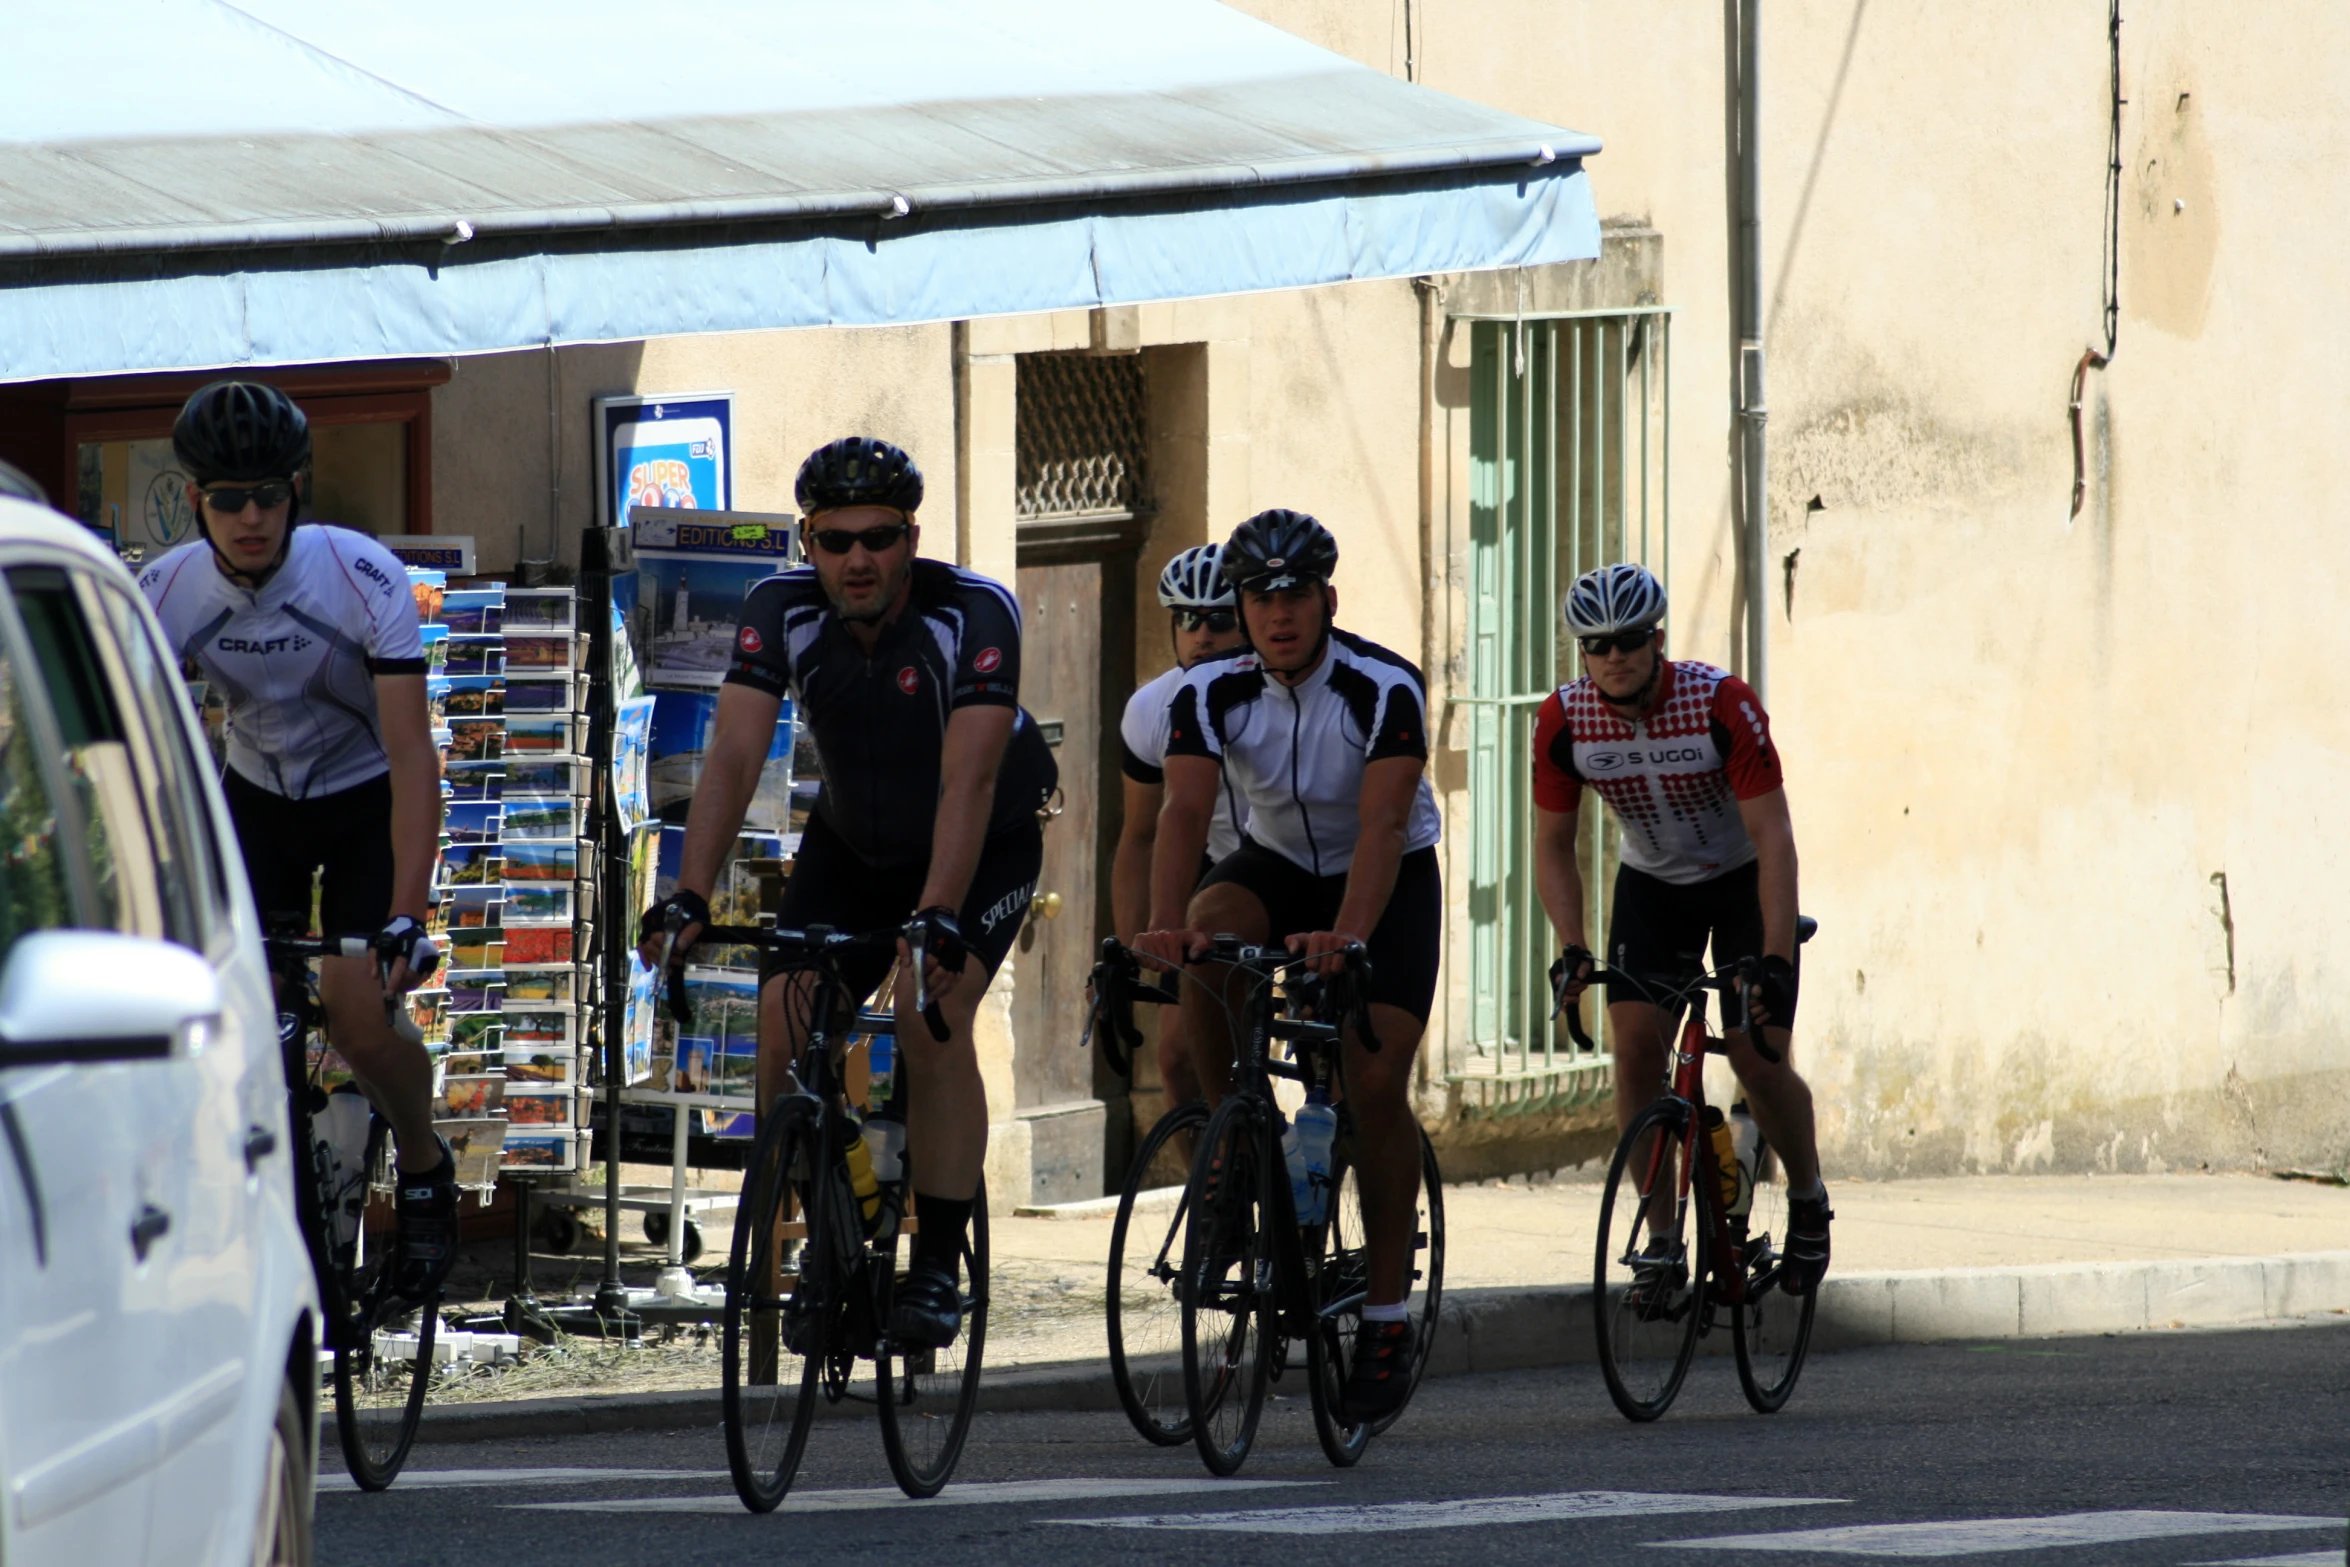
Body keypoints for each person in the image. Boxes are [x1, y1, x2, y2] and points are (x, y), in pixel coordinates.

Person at [637, 436, 1056, 1349]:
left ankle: (937, 1267)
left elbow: (970, 783)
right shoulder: (776, 608)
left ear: (910, 539)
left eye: (878, 538)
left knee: (925, 1013)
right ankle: (831, 1225)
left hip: (981, 840)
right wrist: (689, 894)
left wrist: (936, 919)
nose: (856, 558)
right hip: (855, 841)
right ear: (807, 541)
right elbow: (736, 755)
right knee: (784, 1022)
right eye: (834, 541)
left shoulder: (974, 611)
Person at [138, 380, 452, 1299]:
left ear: (298, 490)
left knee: (358, 1013)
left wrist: (407, 913)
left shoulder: (360, 576)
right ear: (195, 497)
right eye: (227, 498)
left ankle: (427, 1169)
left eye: (268, 494)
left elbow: (410, 752)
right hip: (257, 797)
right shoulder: (164, 592)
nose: (249, 517)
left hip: (363, 797)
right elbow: (152, 764)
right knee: (235, 1014)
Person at [1133, 509, 1442, 1421]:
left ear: (1327, 600)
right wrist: (1158, 926)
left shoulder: (1384, 687)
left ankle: (1386, 1313)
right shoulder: (1208, 694)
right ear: (1241, 604)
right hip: (1275, 863)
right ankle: (1239, 1142)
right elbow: (1181, 818)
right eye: (1261, 596)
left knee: (1375, 1082)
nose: (1278, 613)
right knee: (1207, 928)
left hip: (1382, 877)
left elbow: (1384, 825)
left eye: (1295, 593)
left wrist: (1347, 935)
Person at [1532, 562, 1832, 1293]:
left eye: (1630, 639)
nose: (1614, 655)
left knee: (1757, 1057)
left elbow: (1775, 839)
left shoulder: (1719, 701)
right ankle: (1663, 1240)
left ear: (1656, 637)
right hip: (1653, 886)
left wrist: (1773, 956)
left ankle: (1809, 1199)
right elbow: (1551, 846)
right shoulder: (1564, 719)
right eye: (1596, 643)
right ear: (1580, 650)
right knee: (1635, 1054)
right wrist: (1573, 947)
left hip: (1740, 882)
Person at [1109, 544, 1250, 1109]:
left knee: (1337, 1053)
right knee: (1178, 1058)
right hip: (1213, 870)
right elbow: (1140, 835)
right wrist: (1124, 951)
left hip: (1319, 863)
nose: (1202, 634)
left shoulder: (1283, 692)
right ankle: (1219, 1192)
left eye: (1220, 619)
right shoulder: (1150, 709)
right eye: (1187, 618)